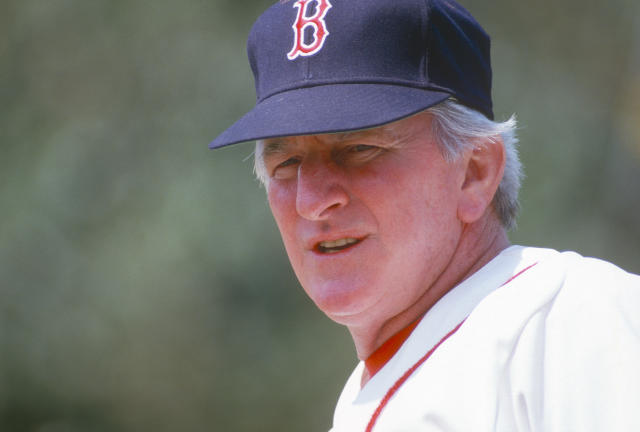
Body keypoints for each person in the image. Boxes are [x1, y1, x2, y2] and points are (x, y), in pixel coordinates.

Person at [209, 0, 640, 430]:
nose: (311, 201)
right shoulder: (377, 389)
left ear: (474, 173)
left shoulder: (569, 323)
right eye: (286, 164)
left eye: (360, 149)